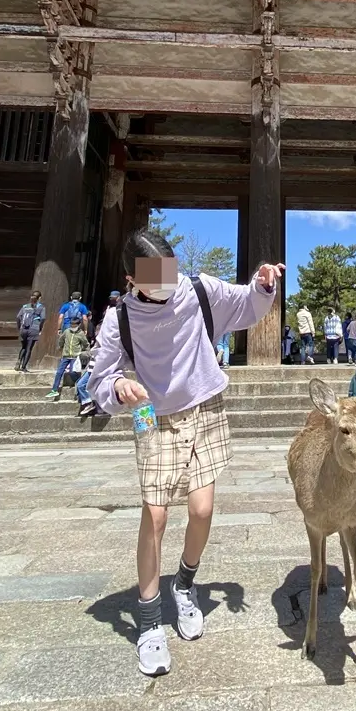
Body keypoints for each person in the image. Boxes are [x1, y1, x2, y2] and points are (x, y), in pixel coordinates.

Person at [90, 227, 283, 677]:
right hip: (153, 416)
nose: (165, 286)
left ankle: (184, 584)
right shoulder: (119, 320)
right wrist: (119, 386)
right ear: (131, 280)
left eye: (168, 274)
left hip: (205, 407)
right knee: (155, 514)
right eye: (153, 280)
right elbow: (98, 380)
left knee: (201, 509)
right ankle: (150, 621)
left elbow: (246, 305)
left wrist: (263, 284)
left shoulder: (197, 290)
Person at [46, 314, 90, 401]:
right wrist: (60, 347)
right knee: (59, 372)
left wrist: (86, 353)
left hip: (75, 356)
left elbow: (86, 344)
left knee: (72, 372)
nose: (73, 327)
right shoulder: (67, 331)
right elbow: (61, 340)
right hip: (66, 356)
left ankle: (79, 383)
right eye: (71, 325)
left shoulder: (81, 334)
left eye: (74, 325)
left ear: (78, 325)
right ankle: (54, 390)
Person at [15, 289, 45, 372]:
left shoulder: (25, 306)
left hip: (23, 329)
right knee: (29, 348)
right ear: (40, 298)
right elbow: (43, 318)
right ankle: (24, 367)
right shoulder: (41, 307)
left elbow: (18, 317)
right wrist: (40, 328)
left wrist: (19, 327)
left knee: (23, 346)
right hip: (34, 329)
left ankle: (18, 361)